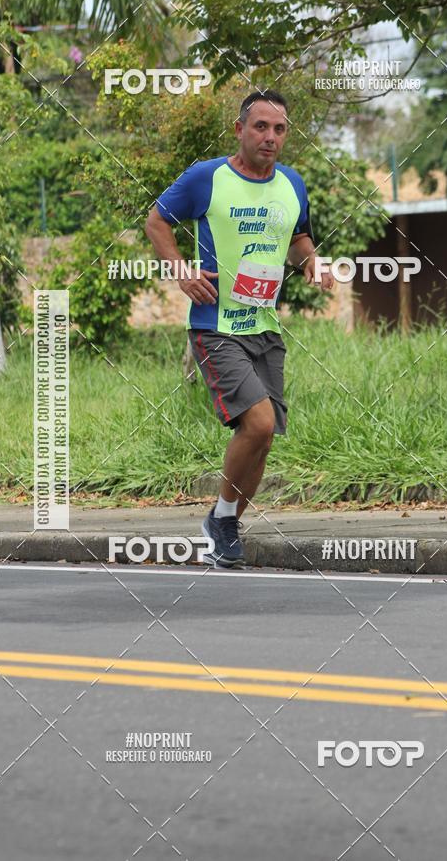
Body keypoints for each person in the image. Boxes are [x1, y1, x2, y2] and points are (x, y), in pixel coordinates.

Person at [145, 88, 333, 567]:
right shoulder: (208, 177)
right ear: (240, 129)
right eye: (261, 126)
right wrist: (182, 272)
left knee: (264, 438)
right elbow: (157, 222)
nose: (270, 137)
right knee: (259, 422)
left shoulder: (292, 184)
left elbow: (298, 237)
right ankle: (224, 519)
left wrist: (313, 263)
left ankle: (224, 522)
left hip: (265, 327)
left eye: (279, 129)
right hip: (216, 326)